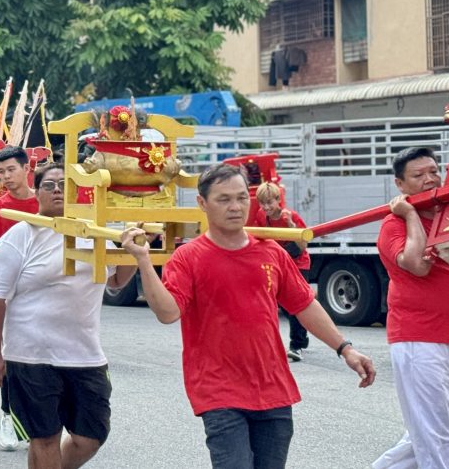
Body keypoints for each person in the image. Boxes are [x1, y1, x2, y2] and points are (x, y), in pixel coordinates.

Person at [122, 164, 376, 469]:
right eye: (224, 199)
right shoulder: (188, 257)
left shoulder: (271, 252)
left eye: (242, 198)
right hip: (219, 392)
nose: (236, 207)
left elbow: (304, 305)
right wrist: (144, 262)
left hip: (273, 389)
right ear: (202, 204)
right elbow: (168, 312)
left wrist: (345, 349)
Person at [0, 164, 139, 469]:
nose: (57, 191)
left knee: (90, 437)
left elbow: (118, 280)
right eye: (50, 185)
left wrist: (132, 248)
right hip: (31, 356)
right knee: (44, 438)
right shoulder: (20, 236)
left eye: (64, 186)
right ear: (37, 193)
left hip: (85, 355)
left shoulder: (95, 234)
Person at [373, 147, 449, 469]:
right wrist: (411, 215)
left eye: (433, 171)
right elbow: (416, 264)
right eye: (418, 175)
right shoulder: (392, 225)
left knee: (435, 431)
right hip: (418, 339)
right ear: (400, 184)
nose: (430, 179)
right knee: (437, 435)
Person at [0, 145, 38, 450]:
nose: (6, 177)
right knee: (11, 359)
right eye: (1, 172)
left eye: (11, 170)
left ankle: (38, 421)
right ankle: (7, 416)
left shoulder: (45, 205)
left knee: (41, 361)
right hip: (10, 296)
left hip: (42, 295)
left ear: (27, 168)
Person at [255, 182, 310, 362]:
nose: (266, 207)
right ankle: (298, 335)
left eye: (269, 202)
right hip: (277, 263)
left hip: (298, 262)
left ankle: (297, 345)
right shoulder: (262, 216)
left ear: (278, 200)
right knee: (283, 306)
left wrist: (291, 225)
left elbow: (303, 245)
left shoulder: (290, 216)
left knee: (298, 304)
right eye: (262, 203)